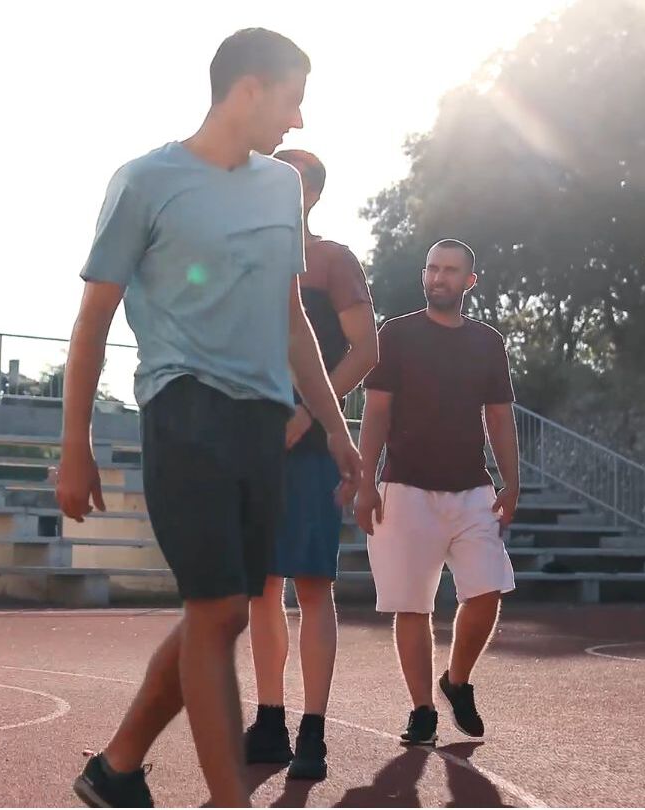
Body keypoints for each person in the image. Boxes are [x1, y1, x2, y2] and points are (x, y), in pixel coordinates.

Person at [56, 28, 363, 808]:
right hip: (184, 408)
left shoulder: (280, 188)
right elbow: (93, 320)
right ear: (249, 89)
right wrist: (75, 444)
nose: (298, 120)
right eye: (292, 100)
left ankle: (117, 769)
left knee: (217, 615)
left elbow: (292, 319)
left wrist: (335, 427)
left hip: (265, 425)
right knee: (221, 608)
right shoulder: (144, 182)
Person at [243, 148, 377, 782]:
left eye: (291, 178)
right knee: (261, 587)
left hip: (312, 444)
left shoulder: (331, 261)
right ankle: (269, 720)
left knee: (314, 586)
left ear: (314, 194)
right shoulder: (244, 254)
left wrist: (308, 414)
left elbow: (366, 350)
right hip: (252, 442)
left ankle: (313, 731)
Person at [354, 238, 520, 748]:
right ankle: (422, 710)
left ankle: (457, 681)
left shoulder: (488, 342)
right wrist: (365, 481)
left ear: (469, 281)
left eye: (449, 270)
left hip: (472, 489)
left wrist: (512, 480)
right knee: (412, 605)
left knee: (488, 590)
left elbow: (499, 416)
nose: (438, 277)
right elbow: (376, 411)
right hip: (404, 488)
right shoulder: (396, 334)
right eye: (432, 268)